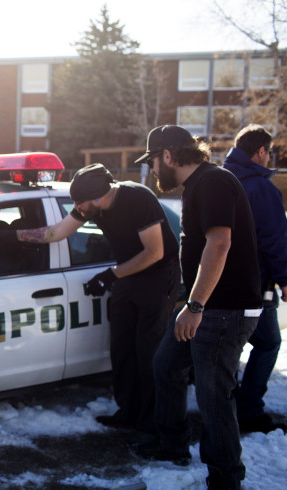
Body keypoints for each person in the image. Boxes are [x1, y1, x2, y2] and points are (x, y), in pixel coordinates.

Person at [3, 163, 180, 437]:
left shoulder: (138, 198)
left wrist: (111, 275)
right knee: (122, 348)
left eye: (80, 203)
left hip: (157, 278)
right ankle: (128, 413)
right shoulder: (90, 205)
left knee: (148, 352)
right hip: (126, 275)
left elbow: (154, 252)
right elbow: (57, 232)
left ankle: (151, 424)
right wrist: (10, 237)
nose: (77, 208)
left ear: (98, 196)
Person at [132, 125, 262, 490]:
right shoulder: (199, 185)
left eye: (153, 162)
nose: (152, 170)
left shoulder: (214, 181)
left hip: (223, 312)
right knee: (166, 365)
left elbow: (220, 244)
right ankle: (173, 445)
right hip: (206, 309)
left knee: (213, 398)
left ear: (169, 156)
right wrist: (191, 302)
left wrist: (196, 303)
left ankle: (225, 480)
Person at [223, 124, 287, 434]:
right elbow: (274, 239)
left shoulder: (220, 181)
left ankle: (225, 401)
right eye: (269, 152)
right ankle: (248, 410)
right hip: (255, 285)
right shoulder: (261, 189)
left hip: (218, 282)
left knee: (230, 345)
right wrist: (284, 278)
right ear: (260, 152)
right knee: (268, 342)